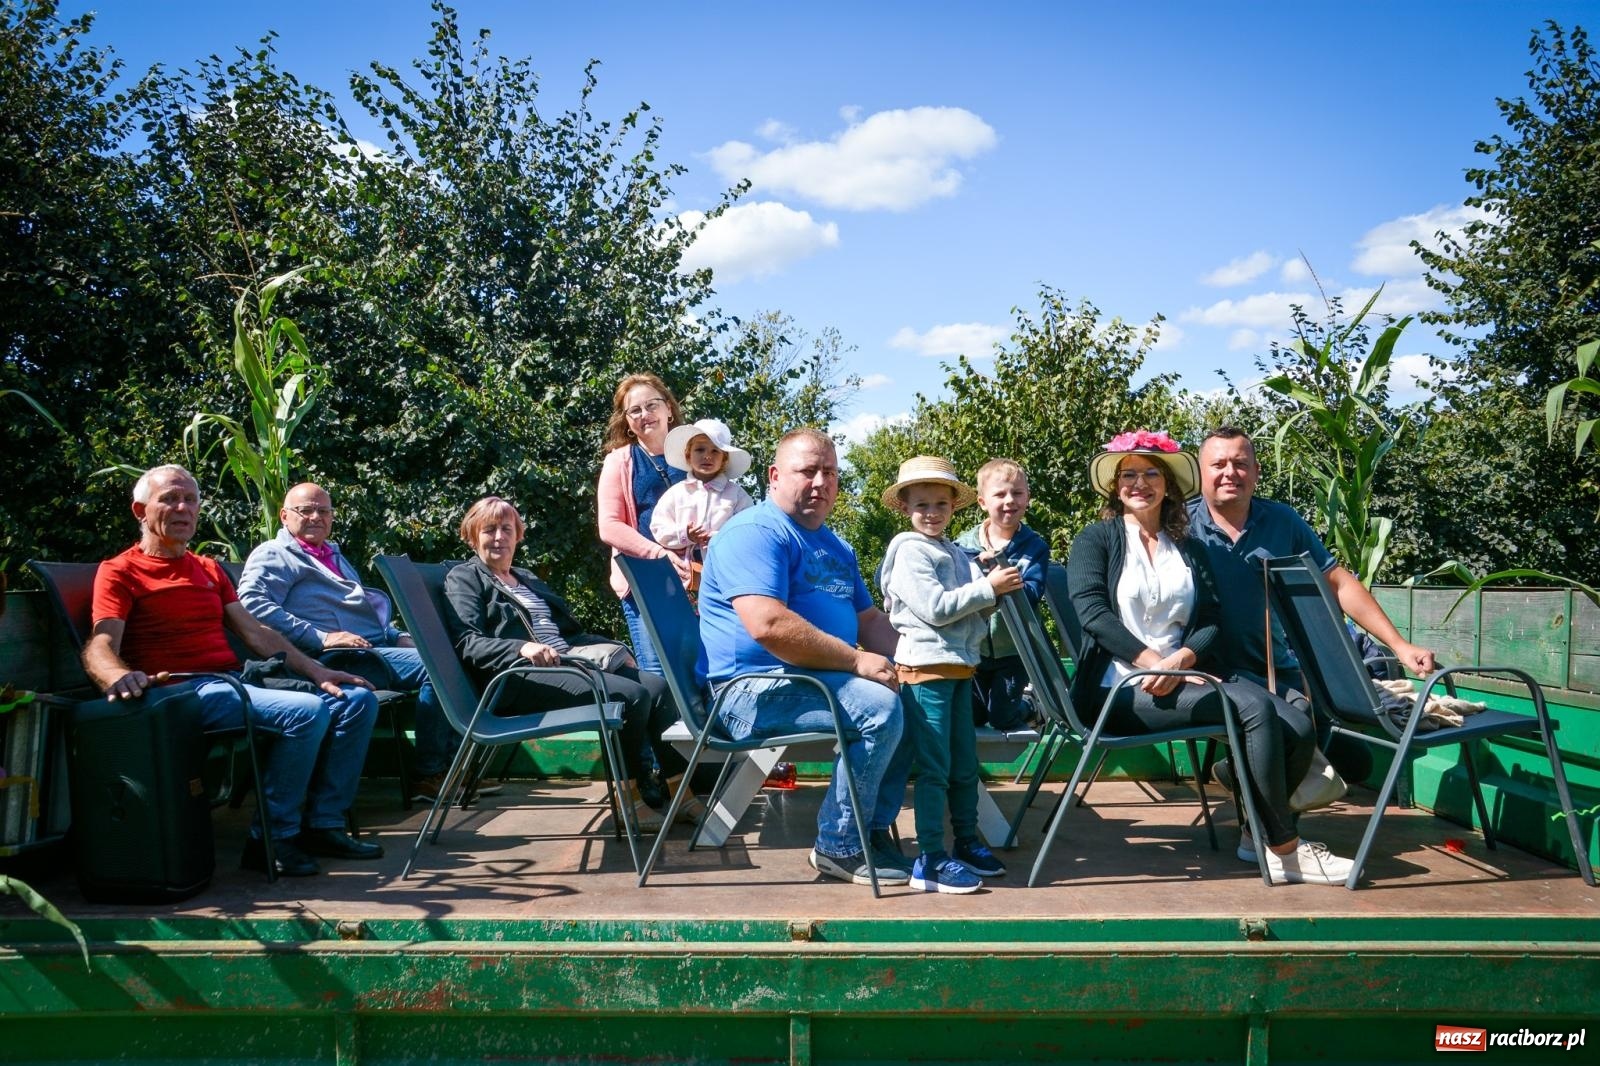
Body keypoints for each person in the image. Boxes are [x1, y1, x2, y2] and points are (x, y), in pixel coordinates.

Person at [1067, 431, 1354, 885]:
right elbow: (1093, 614)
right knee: (1254, 708)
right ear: (1114, 485)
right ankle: (1286, 852)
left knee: (1298, 726)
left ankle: (1251, 833)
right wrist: (1151, 661)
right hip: (1115, 690)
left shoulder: (1188, 547)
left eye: (1151, 474)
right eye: (1129, 474)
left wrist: (1182, 657)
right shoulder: (1096, 539)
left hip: (1181, 677)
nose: (1139, 483)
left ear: (1168, 485)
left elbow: (1211, 618)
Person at [81, 465, 382, 878]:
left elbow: (256, 634)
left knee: (355, 700)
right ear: (140, 510)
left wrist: (317, 672)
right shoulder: (120, 571)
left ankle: (324, 825)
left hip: (232, 682)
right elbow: (101, 644)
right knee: (304, 713)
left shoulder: (206, 568)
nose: (183, 508)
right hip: (182, 691)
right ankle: (271, 841)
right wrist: (115, 674)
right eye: (170, 499)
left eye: (191, 500)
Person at [698, 428, 913, 888]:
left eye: (830, 472)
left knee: (915, 692)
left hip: (809, 679)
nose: (821, 482)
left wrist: (919, 656)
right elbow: (768, 624)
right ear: (775, 476)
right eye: (808, 471)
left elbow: (869, 619)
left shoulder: (835, 546)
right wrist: (857, 662)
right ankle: (839, 845)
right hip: (750, 690)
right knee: (877, 708)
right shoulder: (755, 532)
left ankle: (871, 830)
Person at [1187, 426, 1437, 786]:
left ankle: (1242, 778)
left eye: (1241, 464)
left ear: (1256, 472)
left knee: (1354, 765)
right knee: (1286, 728)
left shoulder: (1281, 522)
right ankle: (1269, 829)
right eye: (1219, 464)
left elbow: (1337, 582)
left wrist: (1400, 645)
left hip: (1276, 668)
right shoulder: (1180, 525)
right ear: (1201, 473)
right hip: (1207, 670)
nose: (1230, 473)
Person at [442, 495, 699, 832]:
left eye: (506, 529)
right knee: (629, 696)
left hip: (566, 662)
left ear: (518, 535)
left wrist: (613, 649)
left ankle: (680, 792)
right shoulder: (466, 578)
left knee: (657, 687)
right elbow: (469, 643)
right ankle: (631, 799)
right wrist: (521, 649)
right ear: (472, 535)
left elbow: (570, 635)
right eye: (489, 530)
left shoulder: (526, 578)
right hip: (519, 678)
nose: (499, 537)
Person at [237, 482, 464, 805]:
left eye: (324, 511)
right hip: (330, 659)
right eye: (306, 510)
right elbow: (253, 606)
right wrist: (321, 636)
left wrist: (396, 636)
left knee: (451, 657)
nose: (316, 516)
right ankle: (429, 774)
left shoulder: (333, 555)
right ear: (284, 516)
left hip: (372, 648)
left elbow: (364, 617)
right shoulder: (274, 554)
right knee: (438, 668)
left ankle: (454, 769)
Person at [879, 456, 1022, 893]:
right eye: (921, 504)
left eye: (941, 504)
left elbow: (973, 610)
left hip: (960, 669)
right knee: (934, 770)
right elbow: (937, 609)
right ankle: (930, 858)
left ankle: (965, 843)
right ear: (905, 507)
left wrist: (985, 583)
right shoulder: (908, 551)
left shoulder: (954, 553)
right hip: (925, 673)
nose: (932, 512)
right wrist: (988, 588)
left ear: (954, 507)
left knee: (964, 765)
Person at [597, 373, 691, 676]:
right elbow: (609, 526)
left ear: (669, 409)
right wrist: (659, 555)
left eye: (651, 405)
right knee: (659, 674)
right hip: (646, 581)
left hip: (699, 579)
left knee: (704, 668)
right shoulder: (620, 460)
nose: (644, 415)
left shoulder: (696, 453)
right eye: (634, 410)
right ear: (626, 420)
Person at [953, 458, 1051, 730]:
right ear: (983, 502)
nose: (1010, 500)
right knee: (972, 716)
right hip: (974, 647)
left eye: (1017, 493)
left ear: (1027, 498)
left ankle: (1031, 706)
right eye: (1000, 494)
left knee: (1002, 718)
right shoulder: (963, 546)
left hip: (1014, 650)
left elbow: (1032, 593)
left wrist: (999, 572)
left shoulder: (1034, 547)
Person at [649, 418, 755, 591]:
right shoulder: (677, 494)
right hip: (685, 577)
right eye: (700, 449)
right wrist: (685, 535)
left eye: (715, 451)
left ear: (724, 459)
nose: (707, 456)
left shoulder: (736, 495)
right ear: (688, 455)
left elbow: (748, 530)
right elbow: (658, 527)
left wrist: (720, 538)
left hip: (727, 576)